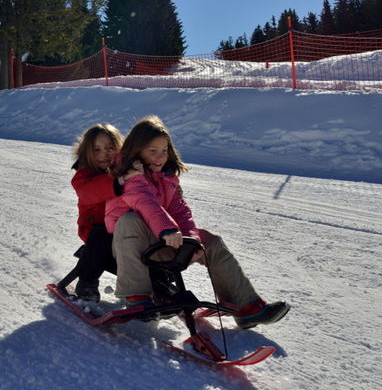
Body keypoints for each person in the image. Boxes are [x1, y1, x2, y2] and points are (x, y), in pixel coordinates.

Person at [105, 115, 290, 329]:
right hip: (130, 246)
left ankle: (247, 307)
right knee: (129, 219)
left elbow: (180, 211)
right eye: (152, 151)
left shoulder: (167, 177)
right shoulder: (131, 175)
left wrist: (191, 240)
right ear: (137, 150)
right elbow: (144, 202)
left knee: (211, 241)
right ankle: (136, 297)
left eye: (164, 150)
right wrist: (167, 229)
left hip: (161, 240)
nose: (160, 157)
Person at [66, 123, 128, 302]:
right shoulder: (84, 176)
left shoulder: (124, 172)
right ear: (87, 153)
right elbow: (89, 192)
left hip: (123, 227)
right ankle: (87, 282)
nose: (104, 154)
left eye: (110, 148)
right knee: (102, 241)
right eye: (97, 150)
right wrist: (116, 182)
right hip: (95, 228)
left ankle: (155, 286)